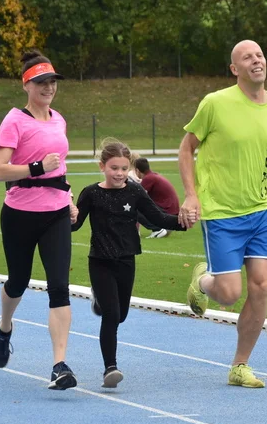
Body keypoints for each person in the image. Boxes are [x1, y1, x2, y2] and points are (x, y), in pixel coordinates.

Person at [178, 39, 267, 389]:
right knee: (229, 293)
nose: (256, 60)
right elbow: (187, 148)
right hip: (220, 212)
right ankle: (203, 280)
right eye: (247, 57)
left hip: (259, 210)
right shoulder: (215, 103)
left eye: (260, 55)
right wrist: (191, 195)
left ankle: (240, 365)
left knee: (262, 286)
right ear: (235, 69)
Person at [0, 49, 78, 390]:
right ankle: (5, 327)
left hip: (55, 214)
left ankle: (59, 365)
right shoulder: (14, 120)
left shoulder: (59, 120)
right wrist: (37, 168)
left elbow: (62, 167)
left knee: (60, 287)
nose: (48, 88)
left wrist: (68, 199)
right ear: (27, 85)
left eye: (52, 81)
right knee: (18, 281)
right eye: (41, 82)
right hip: (20, 214)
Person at [71, 138, 187, 387]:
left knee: (120, 314)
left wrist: (183, 221)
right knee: (112, 316)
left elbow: (157, 218)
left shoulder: (135, 191)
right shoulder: (92, 193)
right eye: (114, 168)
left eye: (124, 168)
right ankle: (110, 368)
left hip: (126, 261)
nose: (120, 173)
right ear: (102, 166)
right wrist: (68, 214)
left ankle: (99, 302)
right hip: (100, 261)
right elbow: (75, 225)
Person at [134, 157, 180, 239]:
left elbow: (136, 197)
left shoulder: (148, 178)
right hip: (172, 211)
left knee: (134, 208)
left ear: (137, 170)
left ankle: (157, 229)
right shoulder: (153, 176)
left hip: (168, 212)